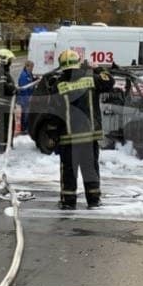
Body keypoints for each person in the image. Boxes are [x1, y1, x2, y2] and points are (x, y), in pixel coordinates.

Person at [54, 48, 114, 210]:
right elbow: (109, 81)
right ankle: (93, 200)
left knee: (68, 170)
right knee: (90, 168)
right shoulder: (91, 79)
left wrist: (54, 135)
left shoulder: (58, 85)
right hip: (89, 135)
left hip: (69, 137)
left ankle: (68, 201)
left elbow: (52, 111)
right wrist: (97, 68)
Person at [0, 48, 17, 154]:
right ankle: (3, 149)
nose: (11, 62)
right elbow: (2, 87)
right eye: (9, 60)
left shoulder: (3, 70)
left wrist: (13, 87)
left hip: (8, 104)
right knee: (5, 126)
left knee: (11, 125)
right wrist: (13, 88)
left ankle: (8, 146)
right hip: (3, 104)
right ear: (4, 60)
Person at [16, 59, 36, 136]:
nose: (32, 69)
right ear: (27, 66)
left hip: (28, 97)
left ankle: (26, 128)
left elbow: (31, 82)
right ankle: (24, 129)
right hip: (25, 98)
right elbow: (24, 89)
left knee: (27, 113)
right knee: (25, 113)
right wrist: (28, 98)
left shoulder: (29, 74)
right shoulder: (24, 75)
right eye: (31, 67)